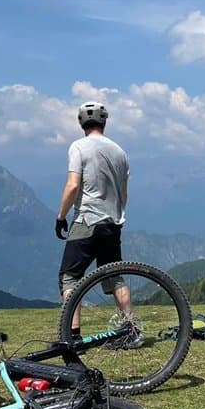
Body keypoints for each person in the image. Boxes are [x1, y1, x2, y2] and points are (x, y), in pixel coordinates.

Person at [55, 102, 138, 347]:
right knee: (114, 277)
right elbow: (124, 194)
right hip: (113, 222)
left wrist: (61, 216)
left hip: (87, 220)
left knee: (70, 277)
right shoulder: (120, 152)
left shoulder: (78, 147)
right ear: (105, 122)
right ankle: (132, 330)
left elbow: (73, 185)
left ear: (81, 123)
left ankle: (73, 336)